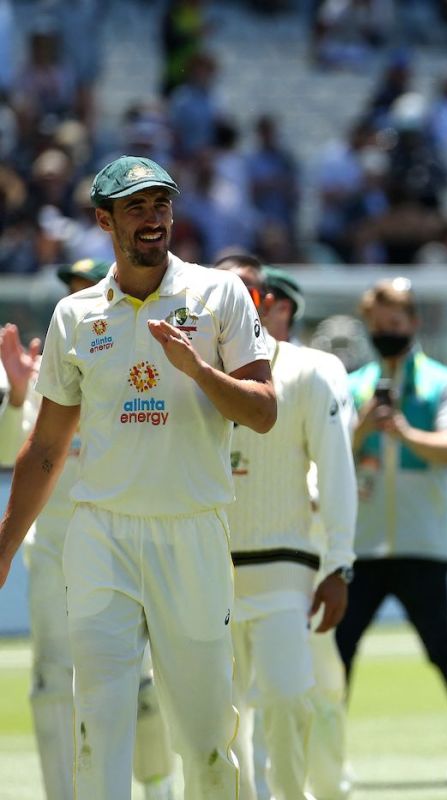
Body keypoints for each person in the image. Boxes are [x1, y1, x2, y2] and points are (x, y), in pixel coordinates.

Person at [0, 155, 276, 798]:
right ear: (104, 220)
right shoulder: (75, 315)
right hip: (102, 538)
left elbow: (263, 411)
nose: (153, 219)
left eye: (160, 205)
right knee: (98, 729)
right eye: (135, 208)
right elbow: (46, 447)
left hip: (193, 533)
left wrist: (198, 371)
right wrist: (6, 544)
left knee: (208, 743)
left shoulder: (220, 294)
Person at [0, 259, 175, 800]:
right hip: (55, 544)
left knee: (141, 684)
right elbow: (16, 454)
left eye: (89, 290)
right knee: (54, 679)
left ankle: (159, 788)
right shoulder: (48, 367)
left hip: (127, 536)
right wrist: (17, 399)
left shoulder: (142, 365)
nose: (83, 304)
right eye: (72, 293)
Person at [336, 277, 447, 783]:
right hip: (360, 544)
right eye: (379, 325)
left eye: (396, 323)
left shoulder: (441, 381)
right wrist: (362, 428)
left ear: (414, 323)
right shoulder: (351, 385)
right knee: (338, 650)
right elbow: (329, 458)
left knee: (439, 646)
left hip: (421, 542)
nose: (387, 332)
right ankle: (323, 752)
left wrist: (404, 431)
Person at [213, 254, 357, 800]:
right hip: (206, 571)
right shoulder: (185, 371)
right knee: (214, 723)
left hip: (283, 569)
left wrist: (339, 562)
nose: (231, 303)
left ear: (267, 304)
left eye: (245, 293)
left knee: (288, 701)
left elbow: (337, 471)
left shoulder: (310, 370)